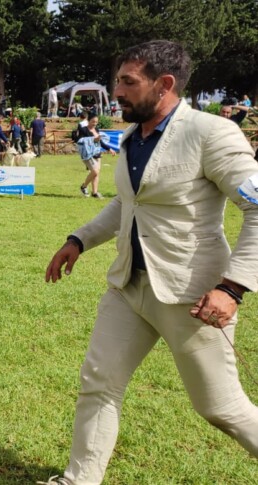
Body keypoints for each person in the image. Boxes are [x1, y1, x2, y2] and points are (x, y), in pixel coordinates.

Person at [40, 40, 258, 485]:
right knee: (98, 384)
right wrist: (79, 240)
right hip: (129, 288)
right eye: (117, 80)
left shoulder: (210, 133)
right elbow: (128, 204)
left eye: (128, 82)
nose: (116, 91)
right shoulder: (132, 137)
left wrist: (232, 287)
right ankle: (78, 480)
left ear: (165, 85)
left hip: (192, 295)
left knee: (221, 407)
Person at [76, 114, 116, 199]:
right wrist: (93, 139)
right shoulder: (83, 130)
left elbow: (99, 142)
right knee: (95, 171)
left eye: (96, 122)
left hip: (97, 153)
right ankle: (84, 186)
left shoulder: (96, 129)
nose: (95, 123)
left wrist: (109, 149)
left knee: (96, 174)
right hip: (87, 154)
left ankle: (95, 193)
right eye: (93, 121)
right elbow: (79, 141)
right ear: (88, 121)